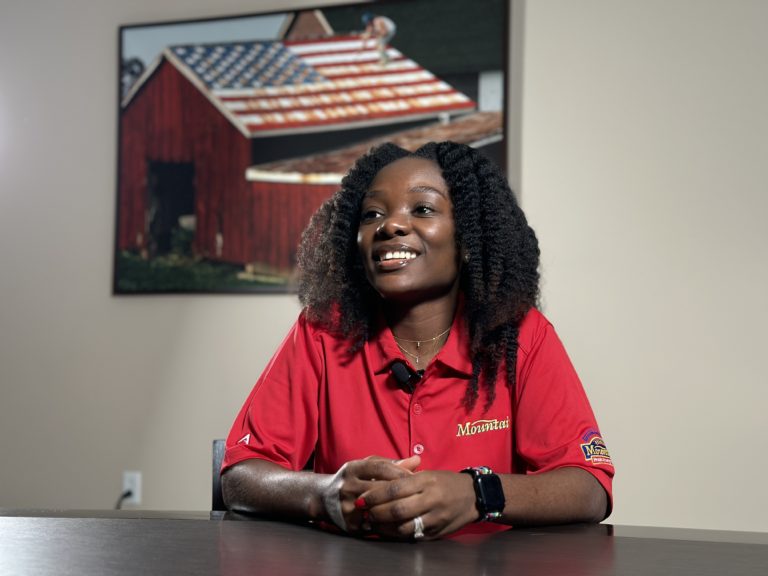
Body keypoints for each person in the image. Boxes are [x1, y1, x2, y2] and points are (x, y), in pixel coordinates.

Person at [221, 141, 614, 541]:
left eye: (422, 209)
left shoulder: (520, 334)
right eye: (372, 214)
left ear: (468, 239)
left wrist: (477, 493)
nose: (390, 225)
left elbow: (589, 489)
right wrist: (325, 494)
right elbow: (240, 477)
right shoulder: (322, 331)